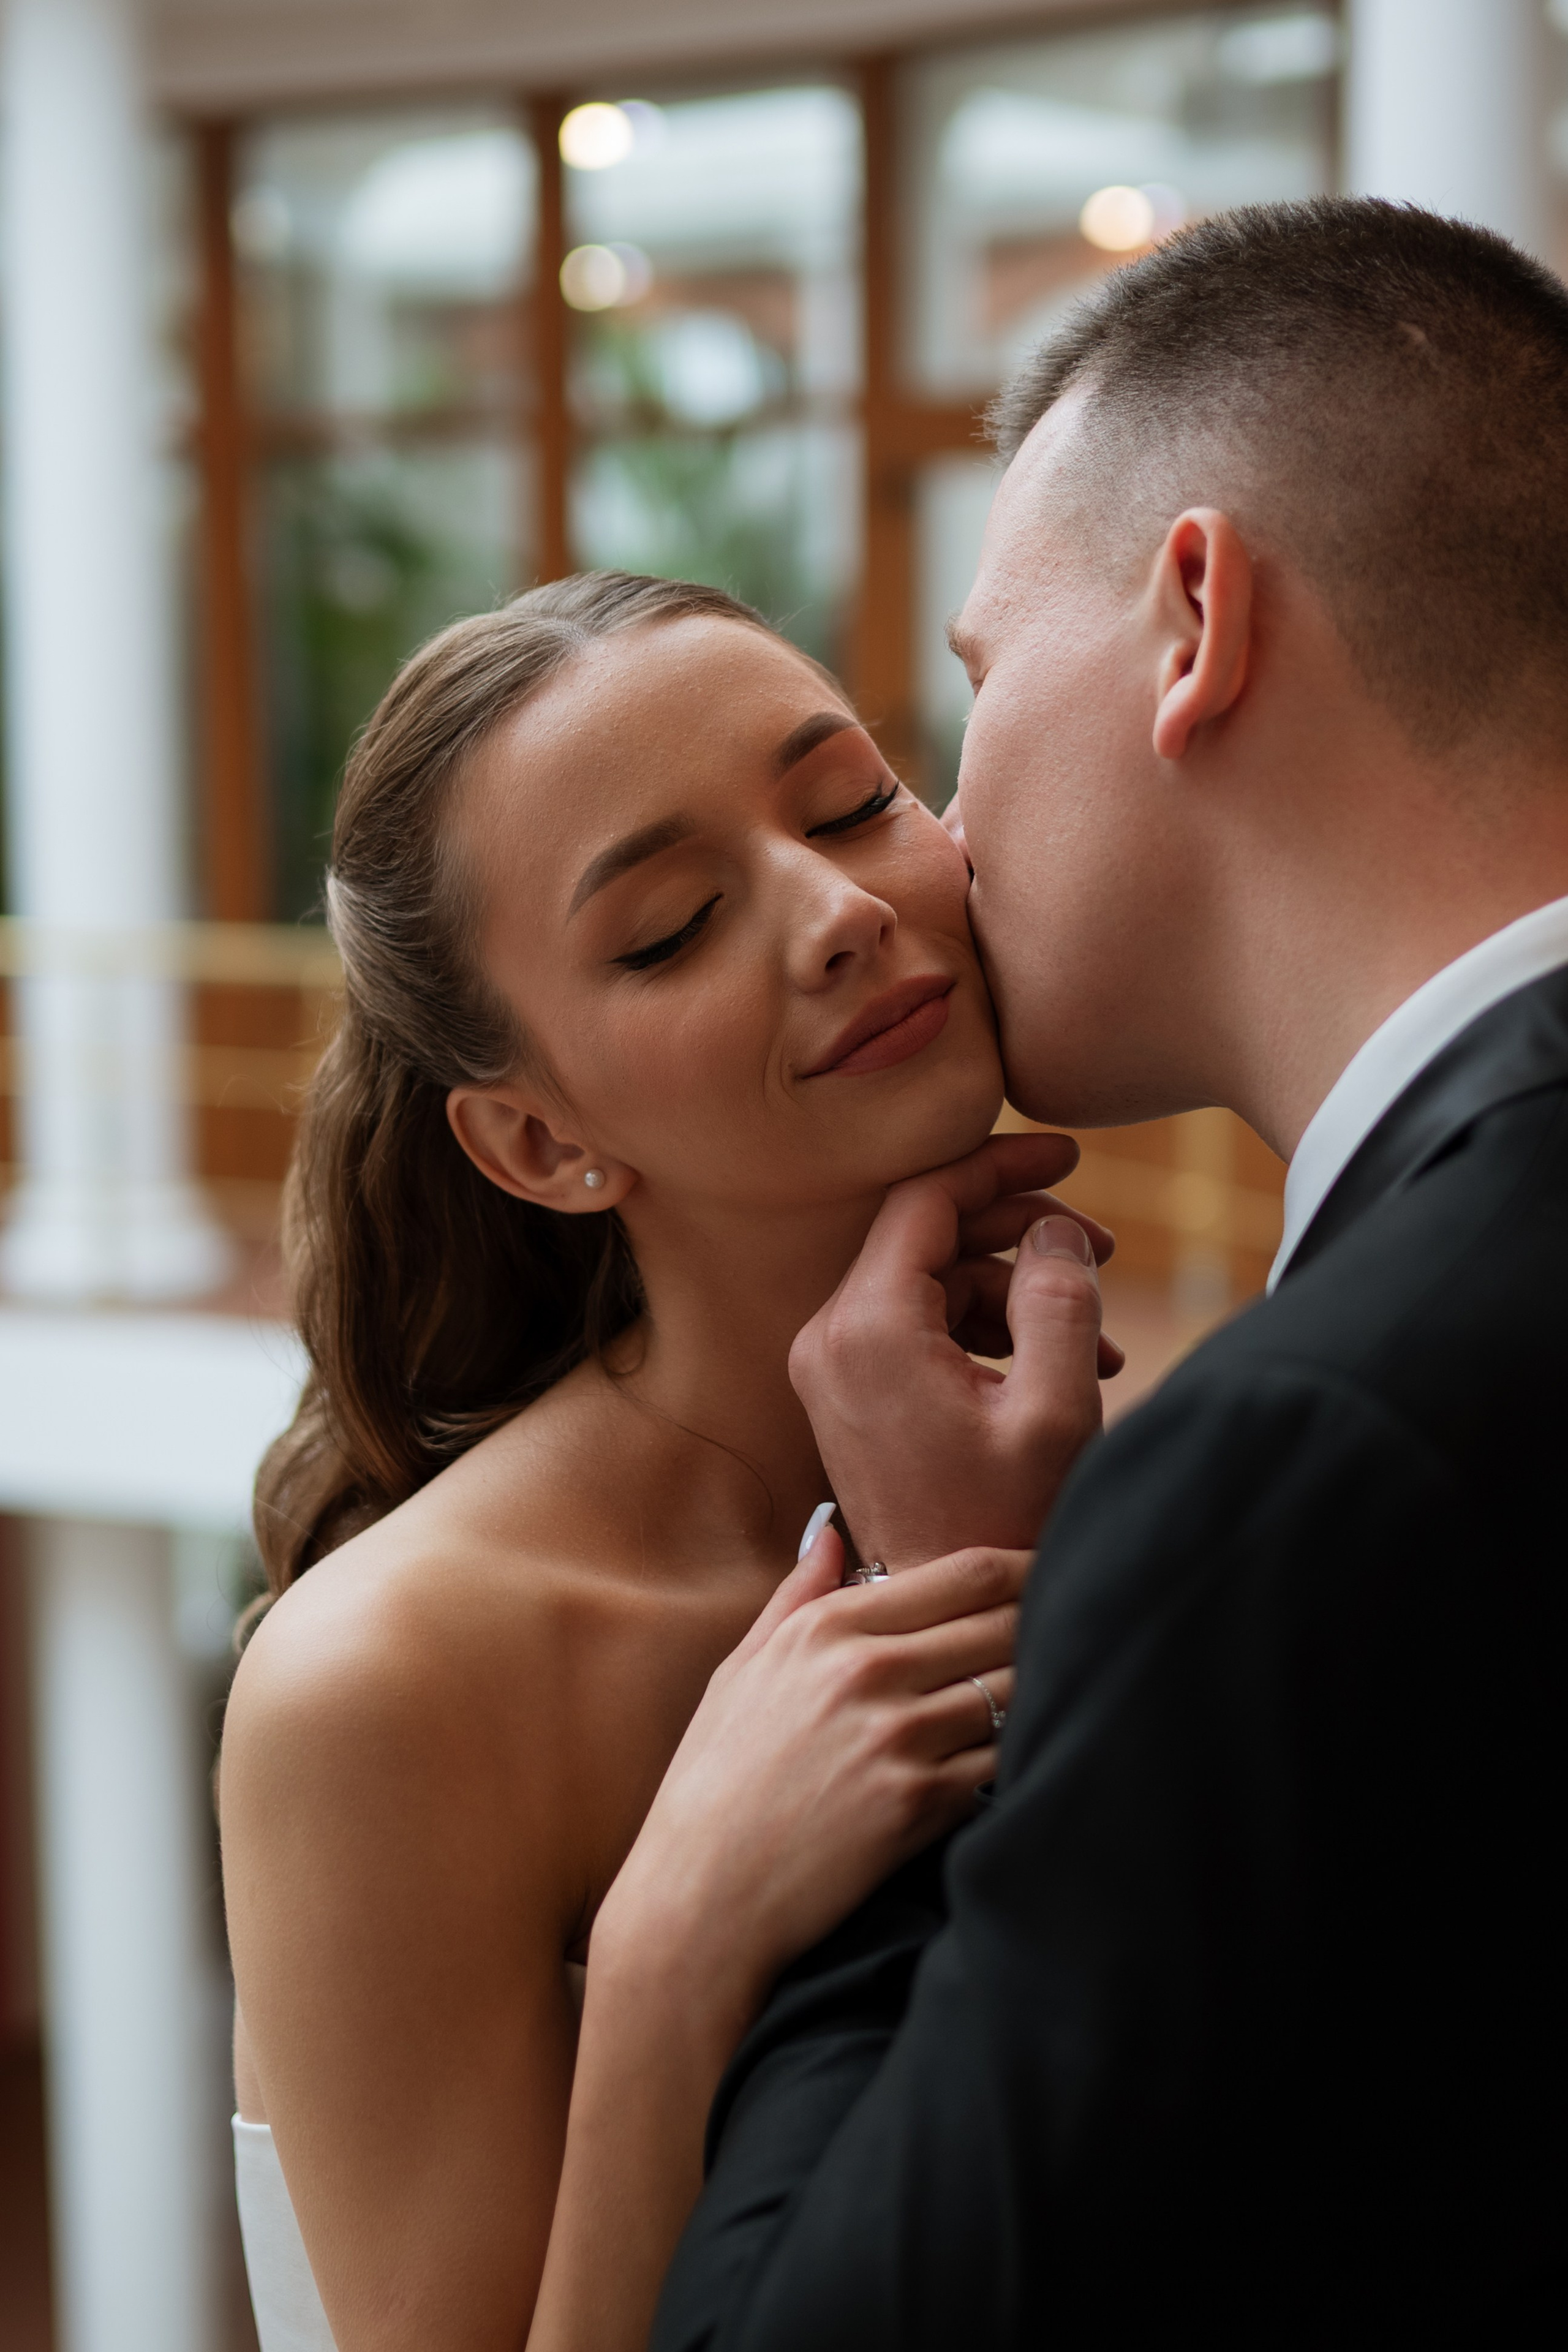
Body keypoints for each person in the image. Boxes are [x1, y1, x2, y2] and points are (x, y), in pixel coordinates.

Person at [502, 198, 1568, 2346]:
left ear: (1193, 616)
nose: (949, 839)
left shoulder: (1308, 1451)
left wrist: (960, 1637)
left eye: (958, 705)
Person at [219, 571, 1116, 2352]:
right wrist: (670, 1952)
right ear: (543, 1142)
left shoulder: (1127, 1472)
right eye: (672, 926)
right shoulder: (391, 1683)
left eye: (857, 799)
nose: (841, 907)